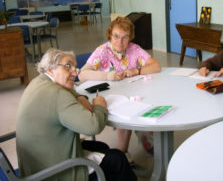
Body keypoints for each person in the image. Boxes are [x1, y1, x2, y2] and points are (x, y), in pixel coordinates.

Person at [16, 48, 137, 181]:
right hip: (53, 173)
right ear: (50, 69)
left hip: (35, 165)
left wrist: (79, 96)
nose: (74, 72)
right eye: (68, 66)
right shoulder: (57, 95)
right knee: (118, 158)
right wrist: (100, 105)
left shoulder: (38, 82)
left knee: (101, 147)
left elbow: (67, 89)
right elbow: (93, 126)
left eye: (75, 68)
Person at [78, 17, 161, 161]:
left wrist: (137, 71)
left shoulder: (134, 49)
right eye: (116, 36)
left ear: (130, 38)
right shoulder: (102, 51)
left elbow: (156, 66)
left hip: (132, 94)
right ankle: (123, 154)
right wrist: (107, 76)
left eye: (125, 37)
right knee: (126, 111)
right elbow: (82, 75)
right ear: (110, 35)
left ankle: (143, 137)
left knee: (145, 105)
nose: (120, 42)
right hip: (108, 99)